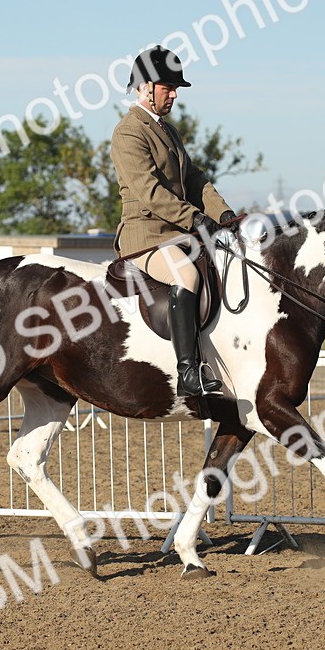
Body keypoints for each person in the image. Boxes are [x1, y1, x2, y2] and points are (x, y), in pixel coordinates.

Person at [111, 45, 236, 397]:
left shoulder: (168, 130)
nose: (174, 94)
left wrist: (222, 212)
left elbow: (194, 179)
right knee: (187, 274)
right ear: (146, 86)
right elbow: (150, 191)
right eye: (168, 87)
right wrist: (195, 218)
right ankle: (188, 372)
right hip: (146, 237)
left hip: (179, 235)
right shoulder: (129, 131)